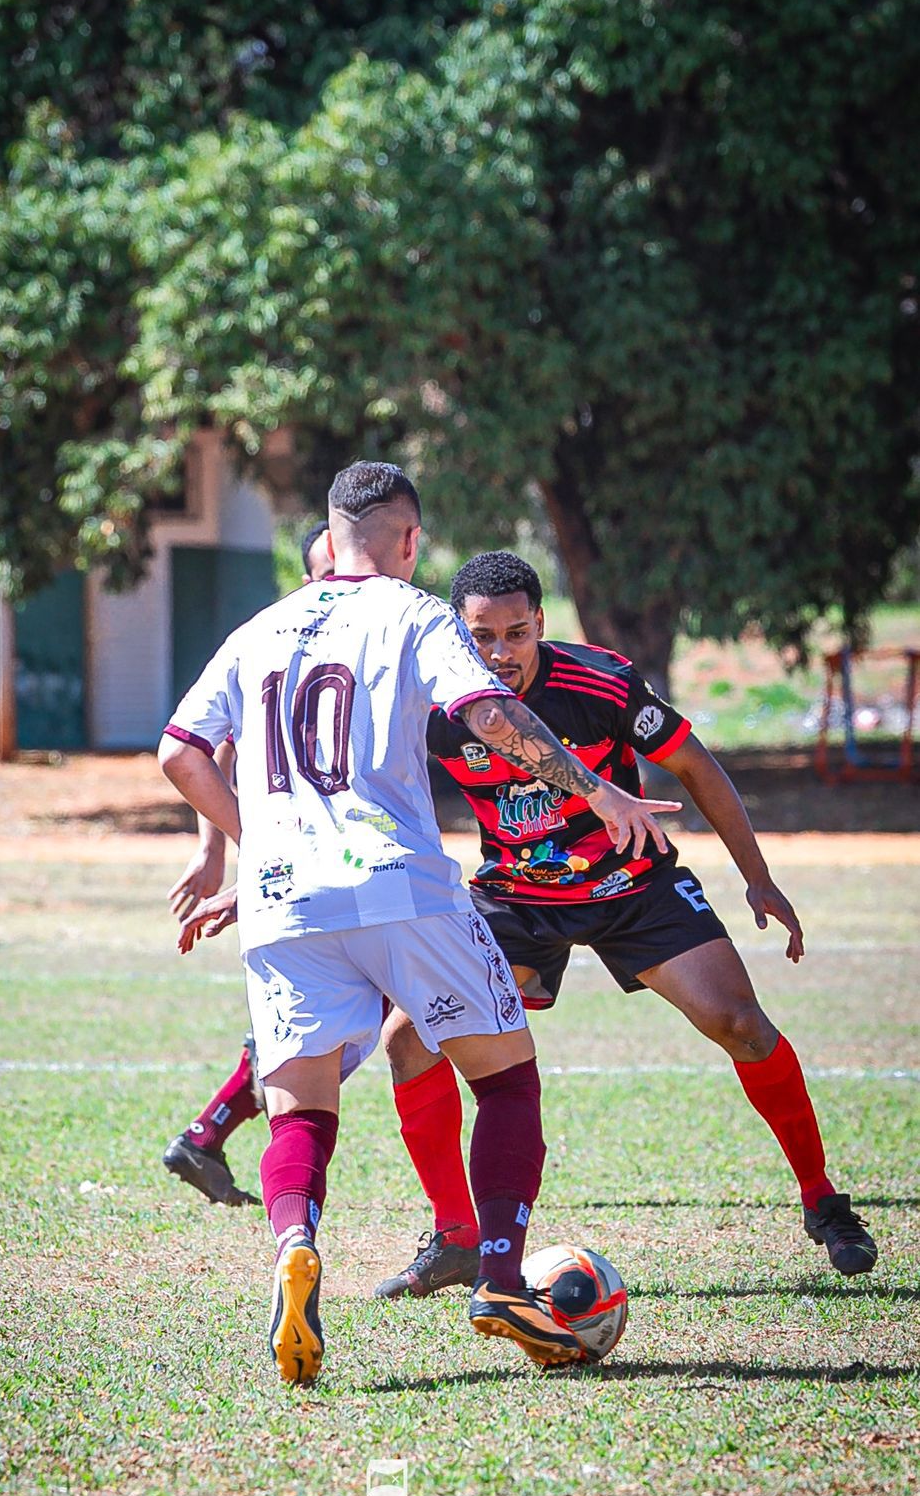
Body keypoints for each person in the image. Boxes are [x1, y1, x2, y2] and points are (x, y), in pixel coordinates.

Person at [157, 463, 680, 1384]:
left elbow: (180, 752)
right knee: (506, 1082)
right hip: (400, 886)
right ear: (408, 540)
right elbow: (486, 712)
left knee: (300, 1108)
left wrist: (258, 843)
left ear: (328, 536)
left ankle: (295, 1244)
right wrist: (598, 791)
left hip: (284, 899)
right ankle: (501, 1279)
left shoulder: (257, 628)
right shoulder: (413, 612)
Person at [372, 550, 878, 1301]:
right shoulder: (433, 704)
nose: (500, 652)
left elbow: (698, 767)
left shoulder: (598, 682)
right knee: (409, 1039)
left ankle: (823, 1200)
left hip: (634, 886)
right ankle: (456, 1236)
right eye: (482, 636)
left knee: (741, 1024)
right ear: (458, 631)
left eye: (516, 632)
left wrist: (759, 878)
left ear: (541, 622)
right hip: (516, 900)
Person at [161, 521, 333, 1206]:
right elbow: (210, 747)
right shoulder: (276, 646)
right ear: (307, 581)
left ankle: (206, 1135)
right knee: (334, 1024)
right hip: (305, 867)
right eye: (329, 574)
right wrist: (218, 847)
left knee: (339, 1019)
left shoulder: (384, 638)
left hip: (344, 861)